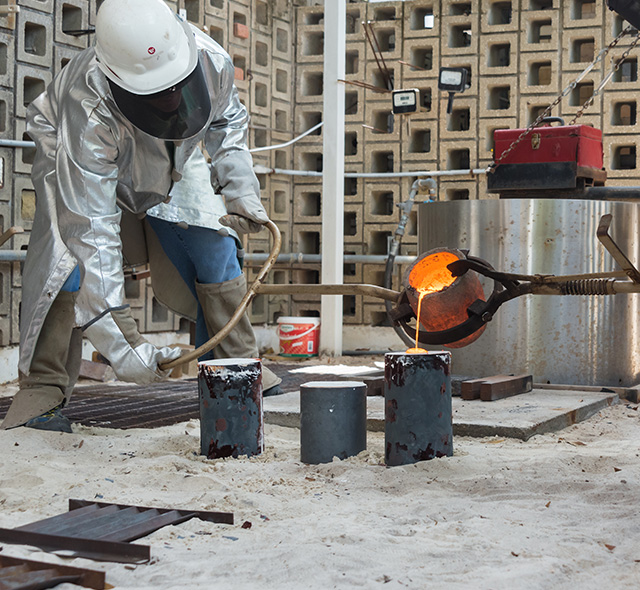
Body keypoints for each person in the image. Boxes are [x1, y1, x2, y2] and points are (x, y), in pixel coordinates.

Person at [0, 0, 281, 433]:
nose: (171, 98)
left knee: (214, 239)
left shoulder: (210, 58)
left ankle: (236, 366)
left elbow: (227, 120)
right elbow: (89, 230)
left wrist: (240, 184)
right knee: (65, 259)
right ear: (117, 79)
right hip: (74, 155)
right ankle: (43, 387)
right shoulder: (88, 108)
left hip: (170, 153)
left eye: (177, 86)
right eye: (156, 92)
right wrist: (124, 346)